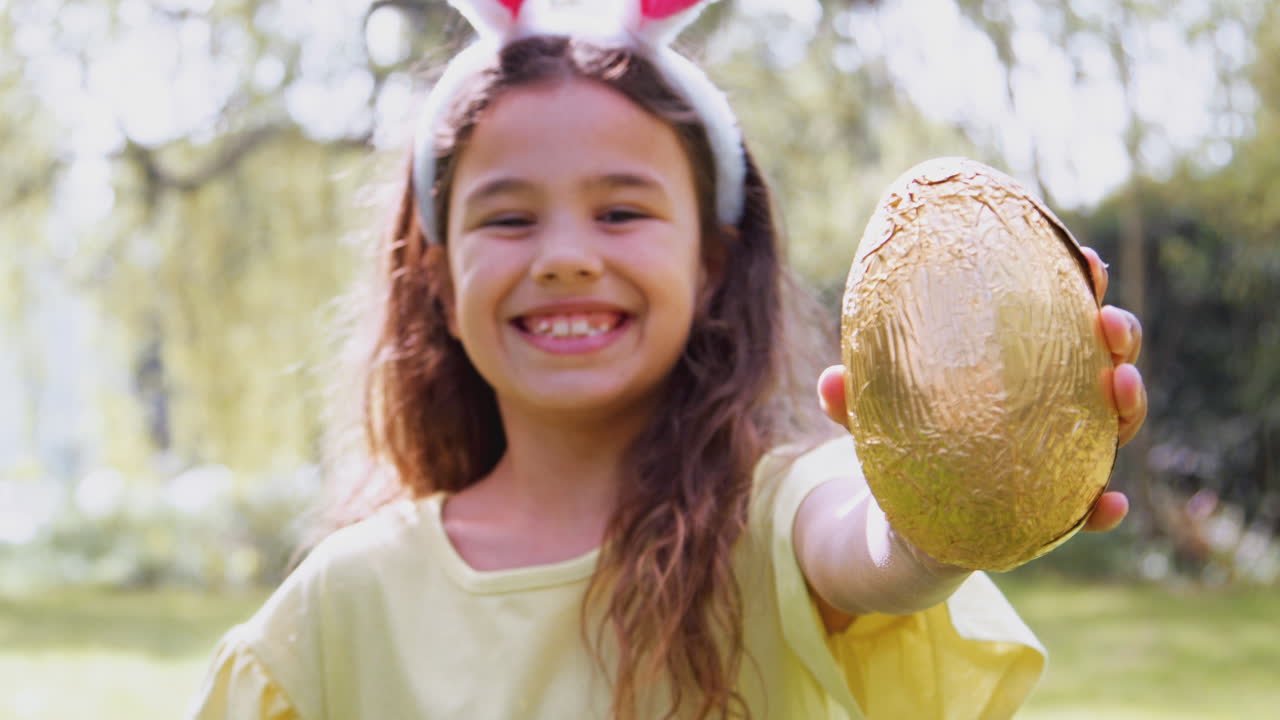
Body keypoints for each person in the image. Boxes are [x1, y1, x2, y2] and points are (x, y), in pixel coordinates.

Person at [188, 1, 1147, 718]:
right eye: (510, 217)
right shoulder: (343, 607)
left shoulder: (774, 517)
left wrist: (942, 508)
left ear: (712, 260)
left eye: (622, 211)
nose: (565, 254)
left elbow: (870, 552)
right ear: (437, 277)